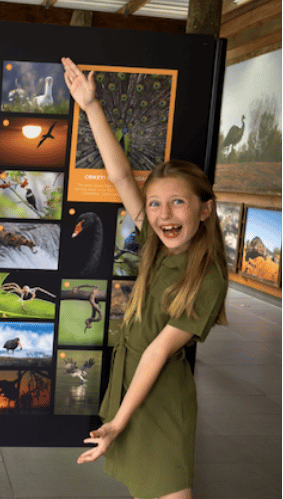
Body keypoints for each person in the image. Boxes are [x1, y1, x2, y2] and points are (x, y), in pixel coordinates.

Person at [62, 57, 228, 499]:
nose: (163, 214)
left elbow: (157, 351)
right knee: (145, 487)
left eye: (177, 203)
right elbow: (119, 174)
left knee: (171, 489)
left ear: (205, 209)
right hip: (131, 381)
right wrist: (91, 106)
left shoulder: (206, 275)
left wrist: (119, 420)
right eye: (154, 204)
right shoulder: (155, 244)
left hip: (157, 395)